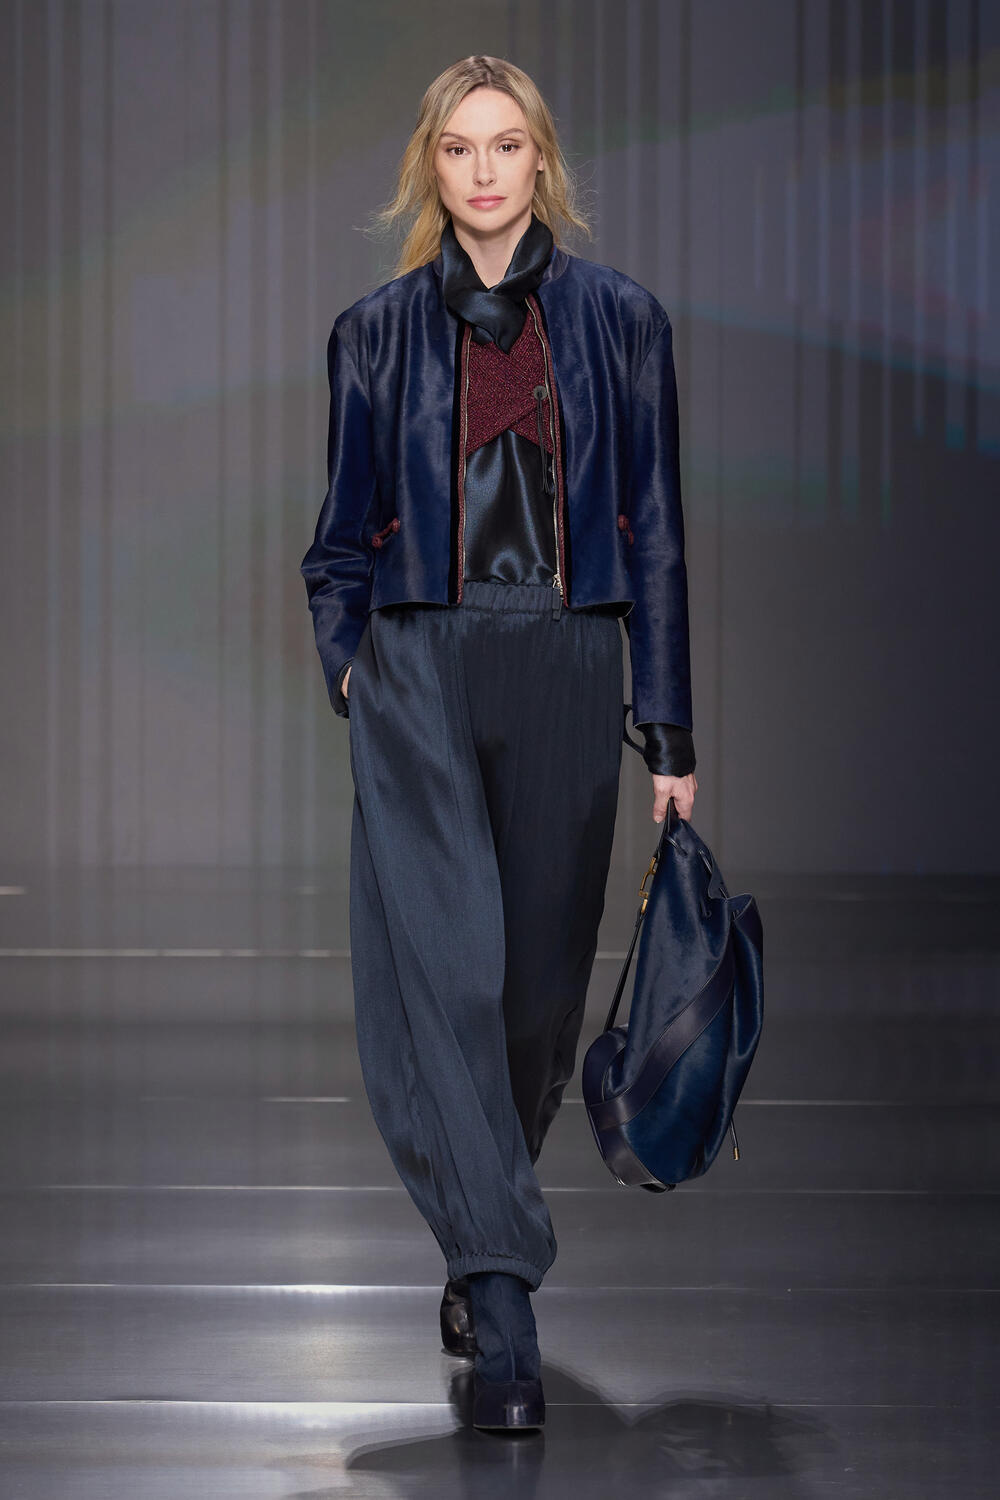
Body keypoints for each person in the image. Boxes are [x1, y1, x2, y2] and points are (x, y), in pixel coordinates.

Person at [300, 55, 698, 1433]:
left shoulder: (624, 324)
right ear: (433, 166)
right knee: (447, 975)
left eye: (507, 144)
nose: (483, 170)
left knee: (535, 994)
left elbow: (657, 533)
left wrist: (668, 725)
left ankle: (483, 1216)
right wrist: (355, 664)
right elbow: (338, 538)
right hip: (421, 662)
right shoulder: (372, 335)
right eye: (460, 147)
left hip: (568, 662)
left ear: (542, 162)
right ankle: (503, 1297)